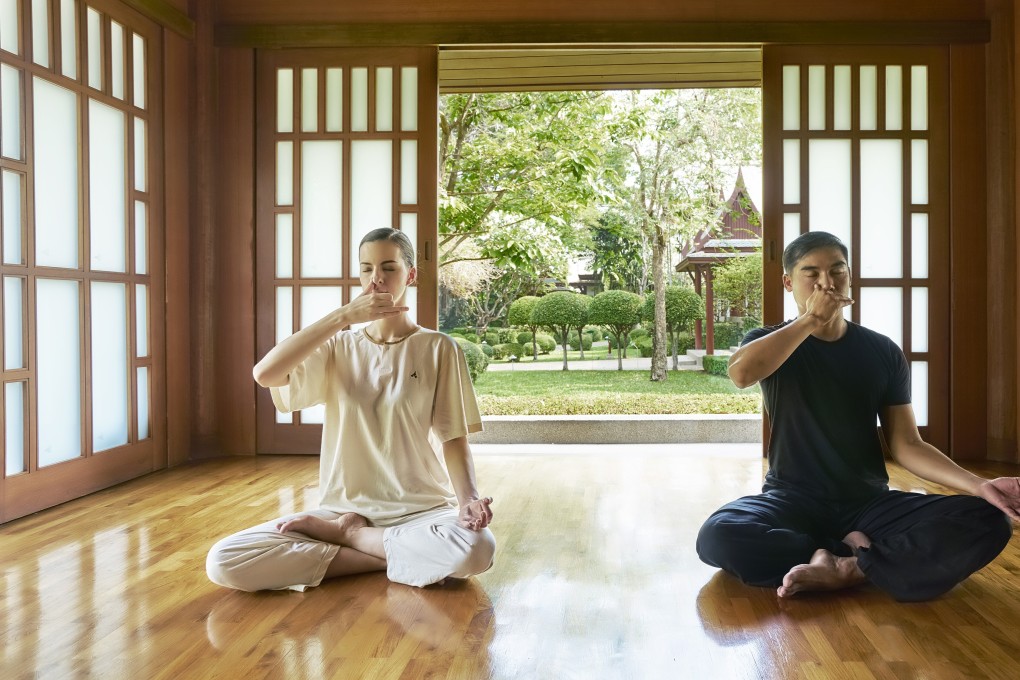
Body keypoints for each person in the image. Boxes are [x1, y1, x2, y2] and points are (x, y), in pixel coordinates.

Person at [696, 231, 1018, 601]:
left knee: (989, 520)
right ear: (788, 282)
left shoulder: (881, 351)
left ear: (851, 277)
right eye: (811, 273)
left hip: (868, 502)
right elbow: (740, 374)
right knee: (718, 534)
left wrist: (979, 484)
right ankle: (854, 554)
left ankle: (849, 566)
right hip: (792, 498)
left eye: (837, 271)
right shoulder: (771, 340)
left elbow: (907, 443)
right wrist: (810, 320)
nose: (826, 283)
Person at [206, 227, 495, 592]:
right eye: (366, 269)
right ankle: (402, 558)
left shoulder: (439, 347)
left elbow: (454, 438)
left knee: (478, 549)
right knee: (225, 561)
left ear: (411, 274)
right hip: (341, 509)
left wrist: (468, 501)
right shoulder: (337, 347)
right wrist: (342, 316)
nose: (376, 279)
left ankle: (355, 540)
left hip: (420, 511)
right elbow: (265, 374)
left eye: (389, 267)